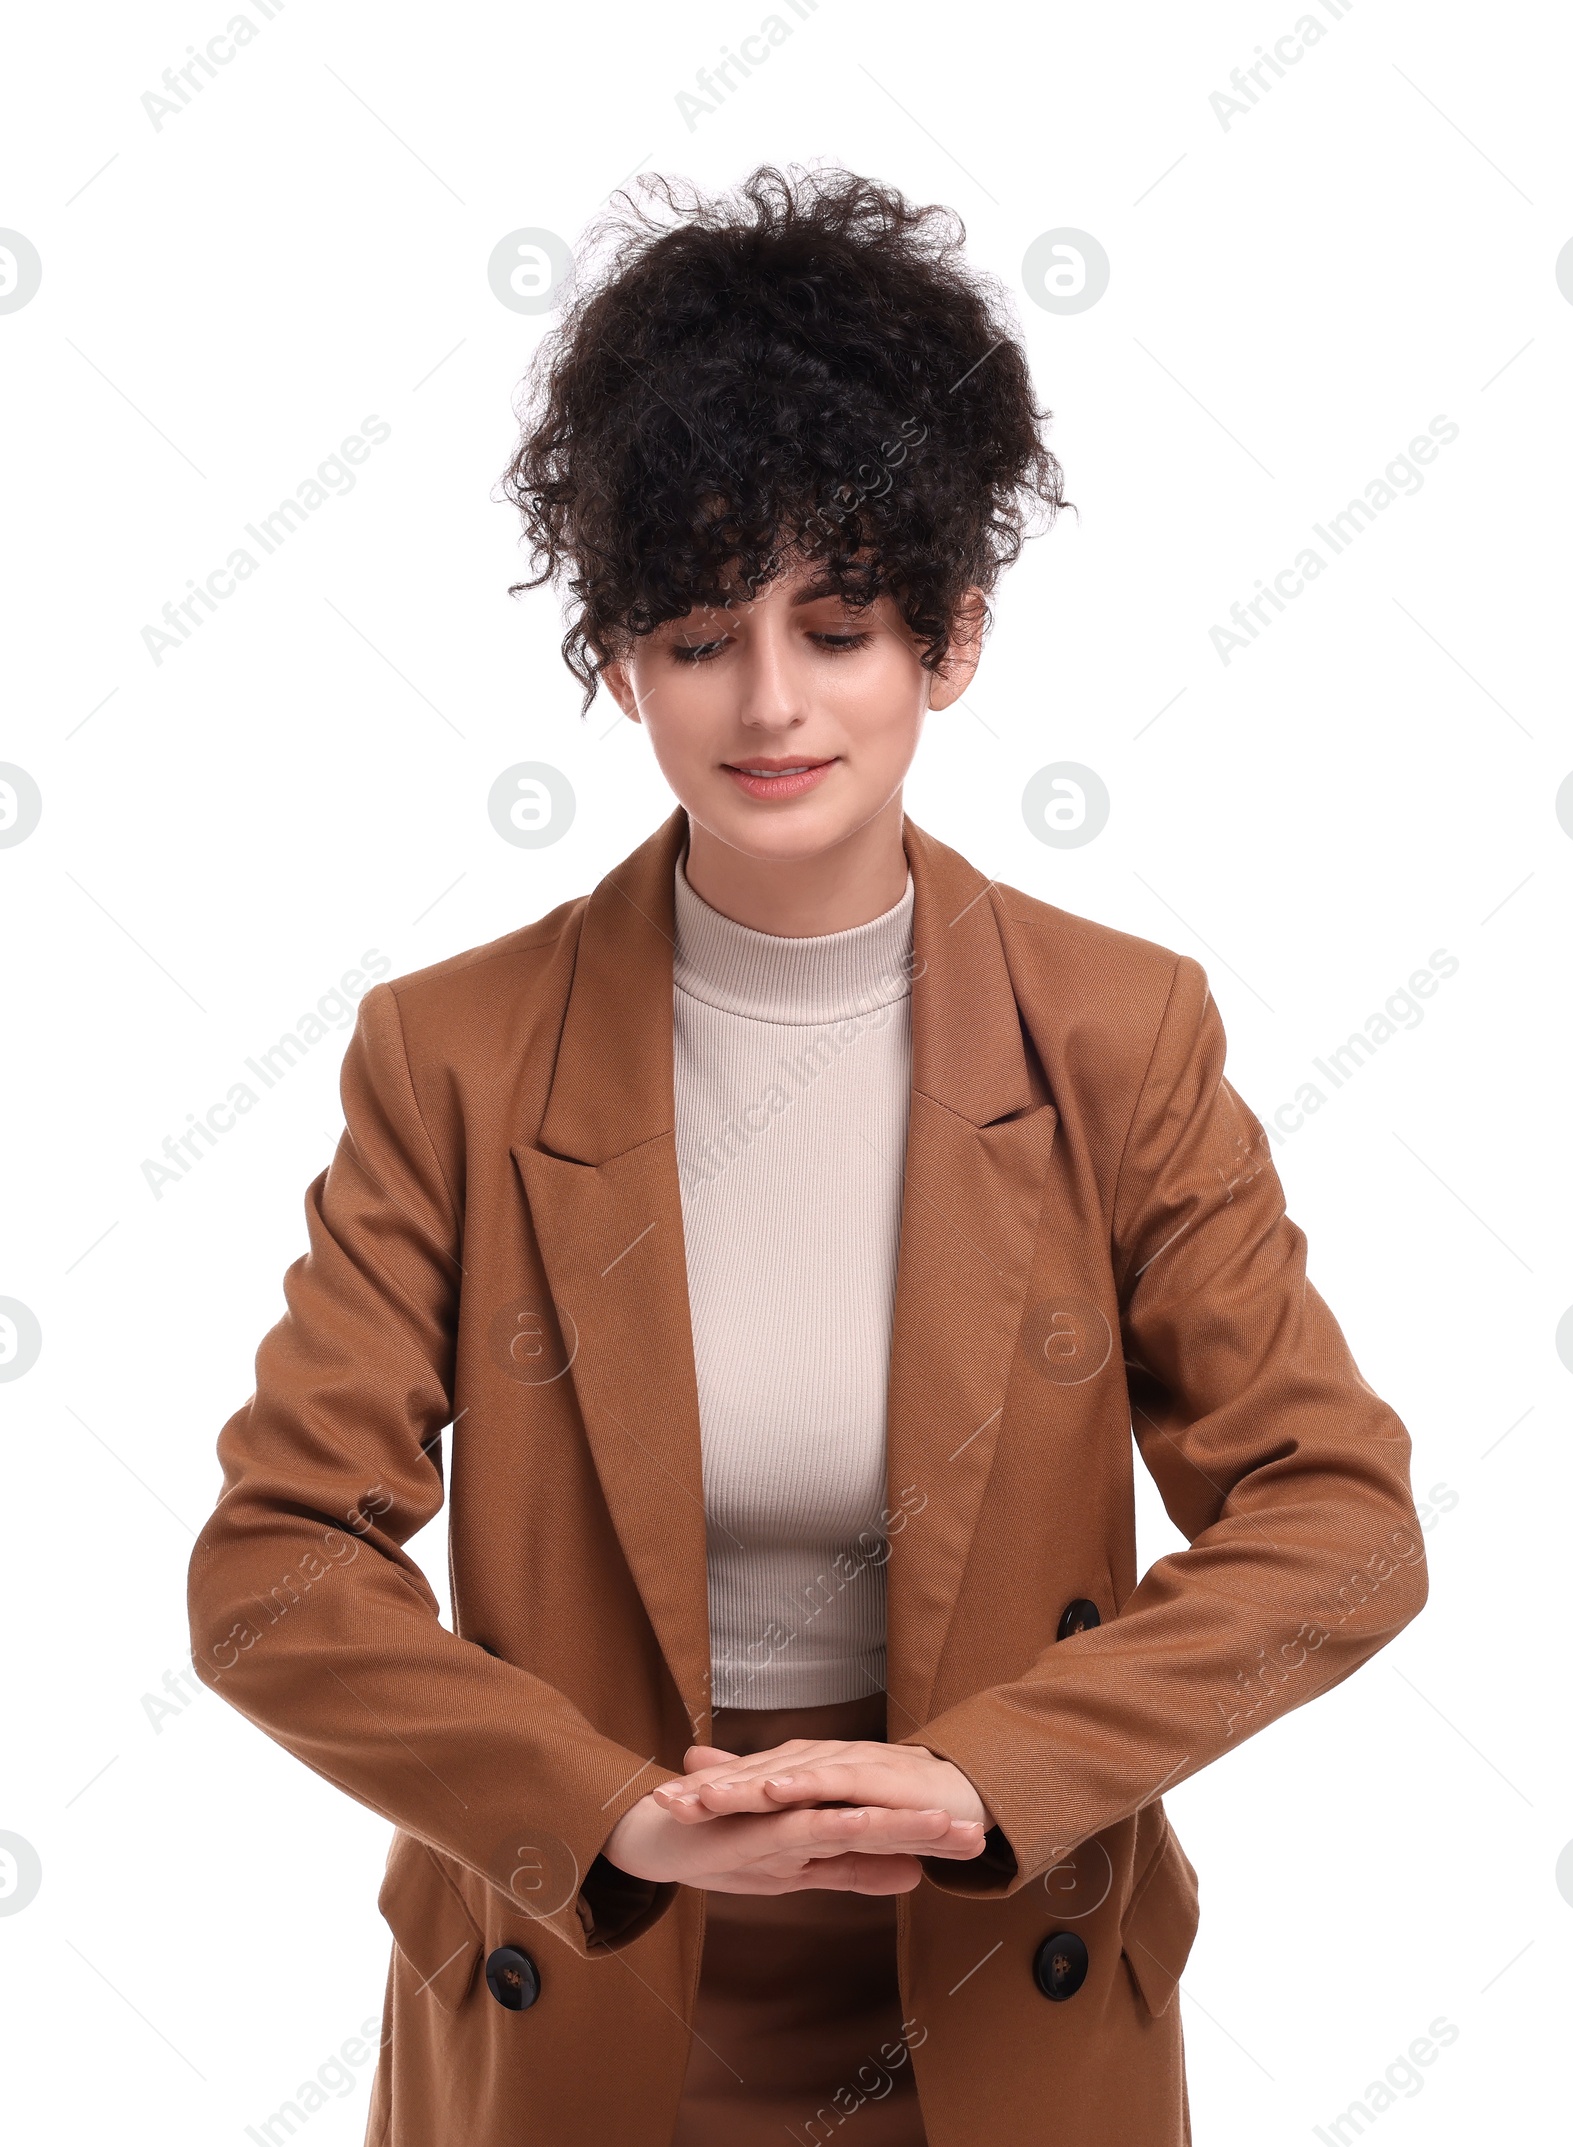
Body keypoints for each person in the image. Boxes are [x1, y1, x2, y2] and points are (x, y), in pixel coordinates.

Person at [188, 165, 1428, 2147]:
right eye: (695, 638)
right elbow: (269, 1568)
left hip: (999, 1977)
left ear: (945, 640)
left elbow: (1339, 1520)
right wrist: (605, 1816)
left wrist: (989, 1779)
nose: (768, 702)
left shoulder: (1118, 1033)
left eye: (835, 626)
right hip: (581, 1970)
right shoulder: (450, 1051)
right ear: (614, 663)